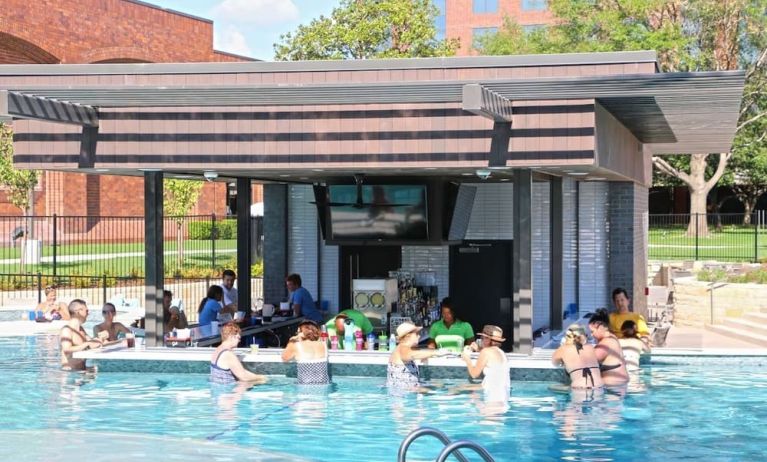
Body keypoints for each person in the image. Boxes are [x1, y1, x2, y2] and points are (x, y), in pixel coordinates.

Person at [387, 322, 443, 390]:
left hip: (405, 391)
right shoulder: (402, 348)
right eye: (416, 334)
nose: (419, 336)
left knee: (438, 385)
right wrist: (435, 352)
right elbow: (410, 355)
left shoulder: (403, 348)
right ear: (408, 336)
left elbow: (414, 353)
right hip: (402, 395)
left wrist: (425, 355)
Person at [461, 325, 510, 402]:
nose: (481, 340)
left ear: (487, 339)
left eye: (482, 338)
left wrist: (467, 359)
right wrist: (479, 350)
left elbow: (474, 374)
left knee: (455, 389)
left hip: (491, 398)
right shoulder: (502, 353)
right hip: (503, 396)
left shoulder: (485, 352)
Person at [551, 324, 604, 389]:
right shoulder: (590, 347)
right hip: (599, 386)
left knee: (552, 387)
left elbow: (555, 363)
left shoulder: (563, 349)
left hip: (579, 387)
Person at [588, 309, 629, 386]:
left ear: (600, 327)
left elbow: (587, 360)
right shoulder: (613, 338)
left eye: (592, 331)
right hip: (619, 385)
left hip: (613, 389)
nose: (591, 335)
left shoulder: (606, 343)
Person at [281, 320, 330, 385]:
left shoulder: (296, 346)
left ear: (299, 331)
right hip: (324, 387)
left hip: (304, 389)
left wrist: (292, 340)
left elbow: (284, 358)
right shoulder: (324, 345)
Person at [60, 299, 103, 371]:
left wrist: (101, 338)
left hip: (81, 371)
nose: (88, 314)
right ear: (78, 312)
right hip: (70, 373)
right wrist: (86, 344)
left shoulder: (81, 330)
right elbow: (67, 350)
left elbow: (92, 343)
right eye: (86, 311)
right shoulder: (67, 330)